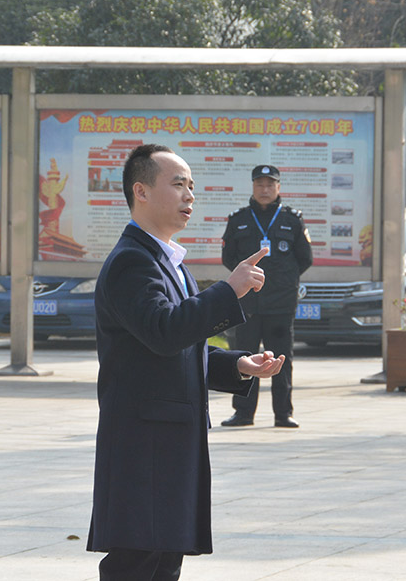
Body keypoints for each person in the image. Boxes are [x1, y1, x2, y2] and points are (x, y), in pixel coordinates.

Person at [87, 144, 287, 580]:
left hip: (169, 441)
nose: (189, 195)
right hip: (144, 444)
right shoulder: (132, 262)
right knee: (137, 562)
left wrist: (238, 365)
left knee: (163, 562)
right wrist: (228, 290)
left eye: (191, 185)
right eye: (178, 184)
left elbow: (179, 344)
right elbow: (164, 332)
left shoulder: (168, 261)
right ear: (141, 191)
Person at [219, 165, 313, 428]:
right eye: (260, 184)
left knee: (282, 359)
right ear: (253, 187)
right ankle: (243, 413)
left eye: (270, 184)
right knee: (244, 358)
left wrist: (283, 280)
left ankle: (283, 414)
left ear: (278, 188)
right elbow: (229, 258)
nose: (265, 189)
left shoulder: (292, 219)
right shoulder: (238, 219)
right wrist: (247, 280)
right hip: (247, 303)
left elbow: (305, 258)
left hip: (281, 303)